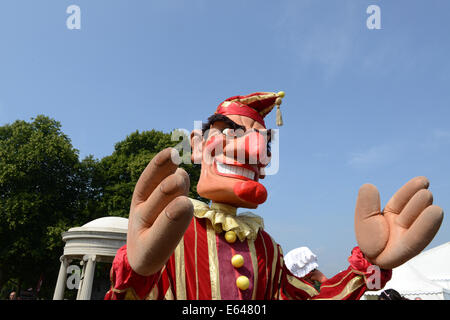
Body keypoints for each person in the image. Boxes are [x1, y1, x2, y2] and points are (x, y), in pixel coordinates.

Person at [105, 91, 443, 300]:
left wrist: (368, 267)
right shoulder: (172, 234)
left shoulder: (266, 247)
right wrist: (134, 273)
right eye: (233, 132)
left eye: (264, 144)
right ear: (197, 146)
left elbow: (310, 298)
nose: (255, 151)